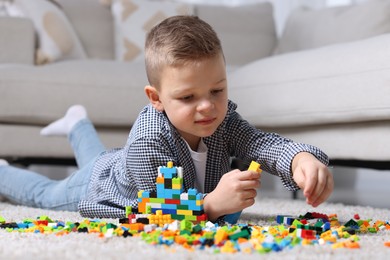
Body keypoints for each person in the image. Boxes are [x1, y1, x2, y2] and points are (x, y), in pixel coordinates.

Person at [0, 15, 333, 223]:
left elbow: (258, 143)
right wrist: (212, 204)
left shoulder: (224, 118)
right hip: (102, 187)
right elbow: (159, 207)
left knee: (99, 158)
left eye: (217, 90)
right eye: (188, 98)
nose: (208, 107)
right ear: (156, 98)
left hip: (115, 163)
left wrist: (297, 158)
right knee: (44, 195)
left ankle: (76, 123)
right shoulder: (148, 139)